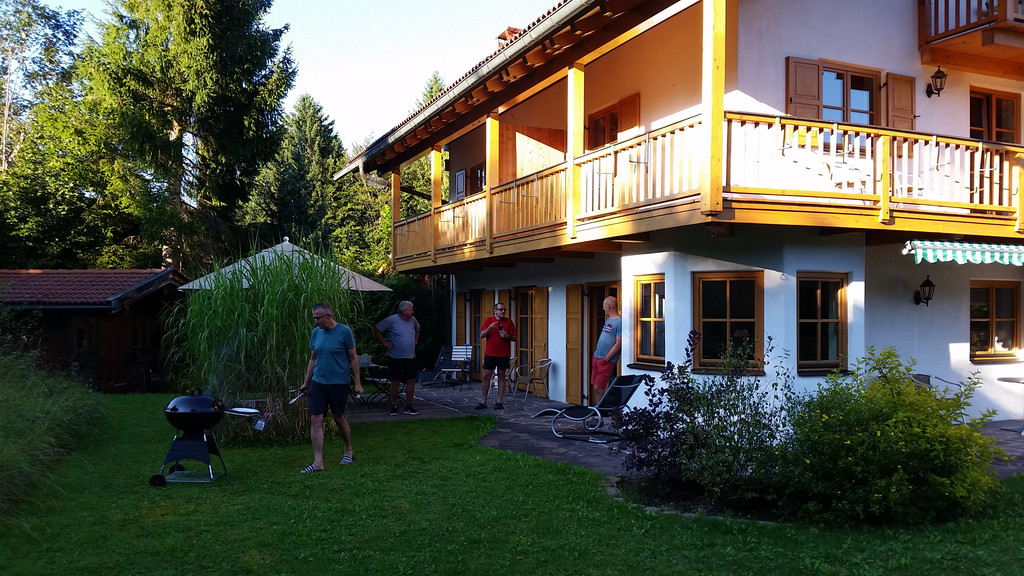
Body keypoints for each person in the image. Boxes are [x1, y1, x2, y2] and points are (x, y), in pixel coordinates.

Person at [298, 302, 363, 474]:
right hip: (318, 382)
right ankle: (318, 462)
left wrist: (358, 383)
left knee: (338, 417)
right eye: (314, 318)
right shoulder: (316, 332)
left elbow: (353, 358)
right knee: (315, 418)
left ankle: (348, 450)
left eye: (318, 318)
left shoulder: (344, 331)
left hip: (339, 383)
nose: (316, 321)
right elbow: (313, 358)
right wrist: (306, 383)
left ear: (329, 316)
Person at [374, 300, 421, 416]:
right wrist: (384, 342)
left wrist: (416, 339)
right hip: (395, 356)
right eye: (411, 309)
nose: (413, 311)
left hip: (410, 356)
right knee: (395, 381)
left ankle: (409, 406)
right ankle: (394, 405)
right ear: (404, 311)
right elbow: (377, 328)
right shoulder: (392, 320)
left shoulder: (413, 320)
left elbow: (418, 328)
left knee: (411, 380)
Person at [476, 302, 517, 410]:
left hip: (503, 354)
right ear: (495, 311)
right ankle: (483, 401)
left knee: (501, 375)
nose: (503, 311)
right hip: (490, 353)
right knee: (486, 375)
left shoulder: (509, 322)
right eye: (501, 309)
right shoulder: (489, 320)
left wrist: (507, 336)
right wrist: (489, 328)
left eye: (504, 310)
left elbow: (515, 338)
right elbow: (481, 335)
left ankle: (499, 402)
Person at [591, 296, 622, 403]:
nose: (603, 307)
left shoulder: (620, 322)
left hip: (605, 360)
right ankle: (597, 411)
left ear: (608, 306)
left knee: (598, 387)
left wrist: (606, 359)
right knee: (595, 386)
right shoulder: (609, 319)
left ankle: (601, 411)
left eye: (604, 305)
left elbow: (618, 344)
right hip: (597, 356)